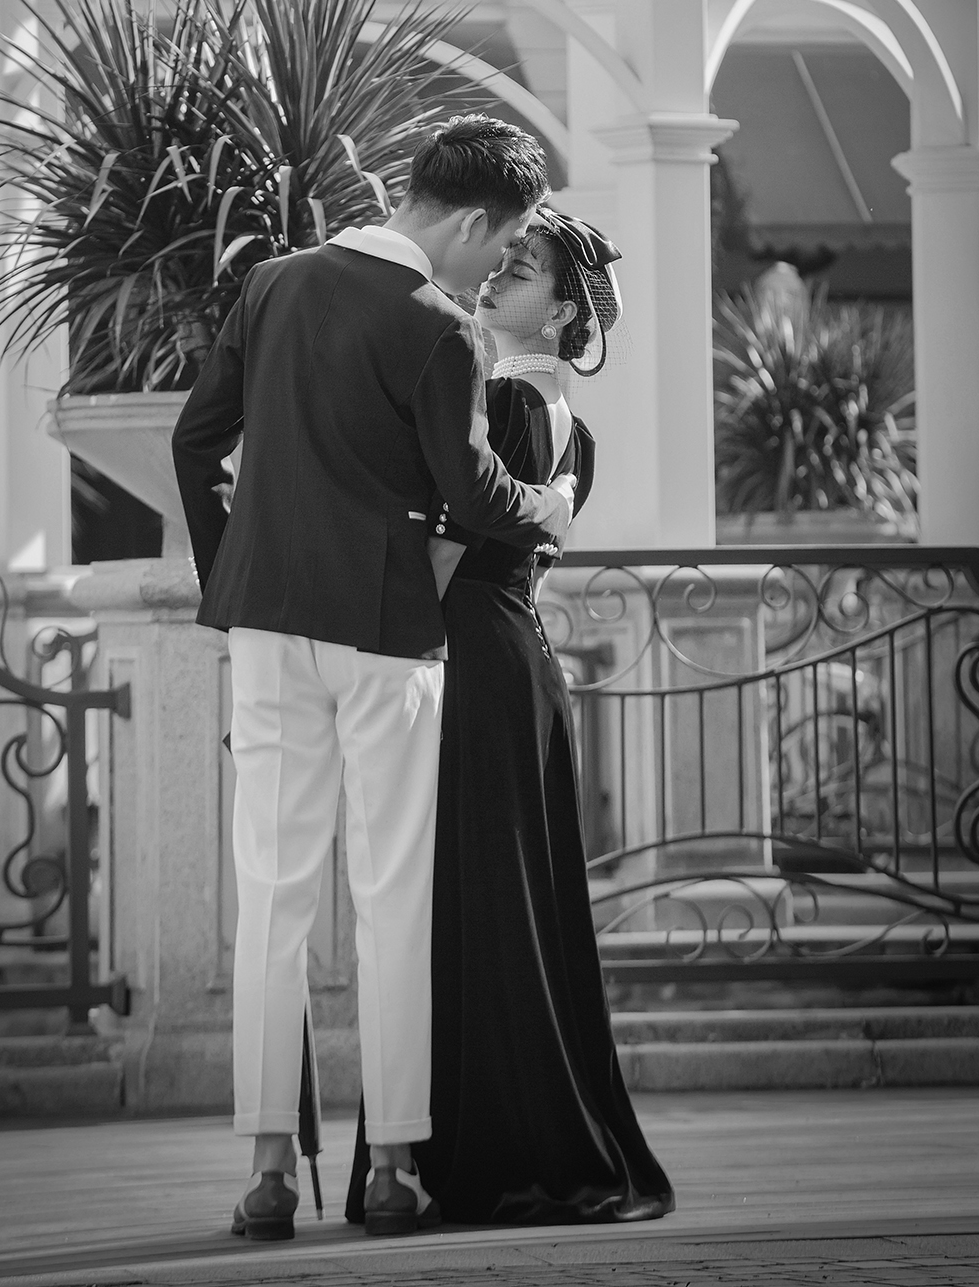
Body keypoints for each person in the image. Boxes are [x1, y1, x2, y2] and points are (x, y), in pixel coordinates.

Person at [171, 117, 577, 1243]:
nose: (494, 270)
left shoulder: (271, 283)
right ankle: (393, 1168)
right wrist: (547, 508)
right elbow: (473, 487)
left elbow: (196, 443)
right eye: (500, 248)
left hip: (266, 623)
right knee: (393, 894)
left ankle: (267, 1174)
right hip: (389, 631)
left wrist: (234, 572)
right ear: (470, 221)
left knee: (272, 893)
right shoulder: (439, 326)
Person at [347, 207, 675, 1226]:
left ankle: (466, 1151)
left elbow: (443, 558)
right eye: (499, 261)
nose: (493, 276)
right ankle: (502, 1137)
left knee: (455, 900)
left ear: (565, 310)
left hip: (469, 665)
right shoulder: (573, 425)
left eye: (521, 269)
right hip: (514, 664)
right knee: (503, 902)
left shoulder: (500, 399)